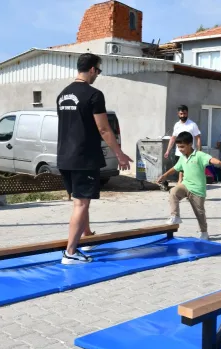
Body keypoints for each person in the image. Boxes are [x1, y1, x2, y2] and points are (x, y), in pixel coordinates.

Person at [56, 53, 133, 265]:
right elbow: (103, 128)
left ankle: (87, 236)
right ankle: (70, 253)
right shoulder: (94, 95)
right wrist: (119, 153)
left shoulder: (62, 95)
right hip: (84, 157)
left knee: (80, 199)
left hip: (64, 157)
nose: (98, 74)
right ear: (91, 69)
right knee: (81, 203)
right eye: (98, 70)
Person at [158, 131, 221, 240]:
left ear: (190, 144)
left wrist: (219, 163)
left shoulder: (199, 155)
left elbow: (210, 159)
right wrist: (165, 175)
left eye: (182, 147)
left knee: (199, 213)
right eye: (178, 147)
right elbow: (175, 168)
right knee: (173, 192)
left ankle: (204, 232)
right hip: (185, 185)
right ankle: (175, 216)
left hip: (198, 190)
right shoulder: (182, 157)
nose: (180, 149)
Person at [164, 105, 202, 184]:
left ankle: (184, 183)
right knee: (180, 168)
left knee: (187, 169)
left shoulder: (192, 125)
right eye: (181, 114)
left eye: (184, 113)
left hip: (190, 152)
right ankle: (181, 182)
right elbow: (173, 138)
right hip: (179, 152)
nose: (183, 115)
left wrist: (199, 151)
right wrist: (168, 151)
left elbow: (198, 138)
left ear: (187, 113)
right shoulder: (177, 125)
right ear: (178, 114)